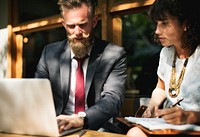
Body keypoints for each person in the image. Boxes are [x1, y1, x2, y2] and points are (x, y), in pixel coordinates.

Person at [35, 0, 127, 133]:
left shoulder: (115, 55)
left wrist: (81, 118)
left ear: (94, 21)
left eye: (82, 25)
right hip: (59, 126)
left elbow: (113, 99)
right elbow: (38, 94)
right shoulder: (49, 53)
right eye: (71, 26)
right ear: (63, 24)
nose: (77, 32)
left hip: (97, 126)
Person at [127, 0, 200, 136]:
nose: (157, 31)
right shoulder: (166, 53)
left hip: (194, 129)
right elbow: (161, 88)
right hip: (169, 127)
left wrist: (191, 116)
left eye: (164, 23)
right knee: (134, 133)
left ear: (186, 24)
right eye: (156, 24)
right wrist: (152, 106)